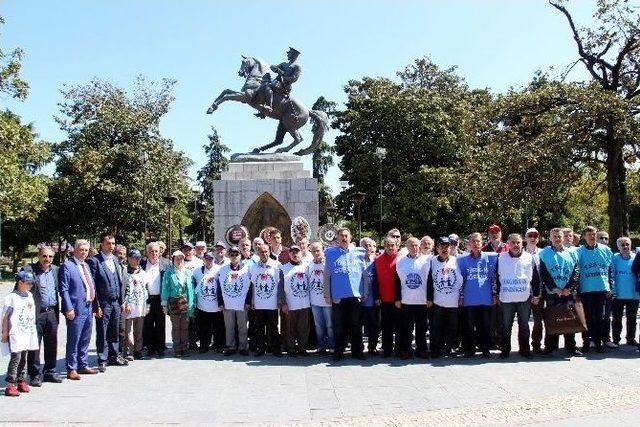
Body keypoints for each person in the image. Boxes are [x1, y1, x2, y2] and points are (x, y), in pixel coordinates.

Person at [323, 228, 367, 361]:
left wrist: (365, 291)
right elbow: (327, 275)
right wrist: (327, 294)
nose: (343, 238)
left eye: (346, 235)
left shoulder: (359, 252)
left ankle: (357, 351)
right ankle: (338, 352)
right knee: (339, 325)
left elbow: (364, 274)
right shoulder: (330, 253)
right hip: (338, 296)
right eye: (341, 235)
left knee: (356, 324)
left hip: (355, 295)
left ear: (350, 237)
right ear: (337, 238)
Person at [22, 246, 63, 385]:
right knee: (34, 345)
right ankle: (34, 374)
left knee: (52, 343)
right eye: (44, 256)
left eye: (50, 256)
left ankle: (50, 371)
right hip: (36, 313)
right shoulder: (29, 270)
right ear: (39, 256)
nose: (47, 259)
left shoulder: (56, 270)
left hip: (52, 312)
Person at [58, 239, 100, 380]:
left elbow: (90, 287)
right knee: (74, 338)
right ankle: (72, 368)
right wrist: (68, 308)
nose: (84, 253)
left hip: (88, 307)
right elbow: (63, 289)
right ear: (74, 250)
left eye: (86, 250)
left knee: (85, 338)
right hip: (75, 308)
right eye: (81, 250)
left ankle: (82, 364)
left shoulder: (86, 266)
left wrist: (96, 306)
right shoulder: (67, 266)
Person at [87, 232, 127, 371]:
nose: (111, 246)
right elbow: (92, 285)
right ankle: (102, 358)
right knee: (102, 331)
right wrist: (96, 305)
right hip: (103, 303)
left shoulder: (116, 260)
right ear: (102, 244)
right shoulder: (94, 261)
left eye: (113, 243)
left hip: (116, 301)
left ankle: (114, 355)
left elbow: (119, 281)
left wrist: (121, 301)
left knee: (114, 330)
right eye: (108, 243)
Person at [539, 228, 582, 357]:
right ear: (550, 238)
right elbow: (544, 273)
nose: (557, 239)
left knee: (569, 319)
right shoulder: (544, 253)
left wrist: (569, 288)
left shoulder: (572, 253)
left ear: (563, 237)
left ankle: (571, 347)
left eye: (559, 236)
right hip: (552, 293)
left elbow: (576, 272)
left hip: (568, 292)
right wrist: (554, 288)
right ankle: (550, 347)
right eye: (555, 236)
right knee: (553, 320)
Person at [496, 234, 540, 359]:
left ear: (523, 243)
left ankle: (525, 350)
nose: (516, 245)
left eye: (518, 242)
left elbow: (535, 278)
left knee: (524, 326)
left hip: (524, 298)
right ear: (508, 244)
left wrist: (536, 295)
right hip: (506, 298)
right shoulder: (501, 258)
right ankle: (505, 350)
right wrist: (496, 294)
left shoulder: (529, 257)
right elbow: (496, 278)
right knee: (506, 326)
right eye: (513, 243)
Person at [457, 233, 498, 358]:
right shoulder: (462, 260)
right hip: (469, 299)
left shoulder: (491, 258)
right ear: (469, 244)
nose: (476, 244)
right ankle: (470, 349)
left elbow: (494, 278)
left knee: (485, 326)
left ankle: (485, 348)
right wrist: (461, 296)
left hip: (485, 299)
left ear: (482, 243)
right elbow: (460, 281)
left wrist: (494, 294)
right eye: (473, 241)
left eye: (478, 241)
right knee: (469, 326)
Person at [576, 226, 613, 353]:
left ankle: (598, 342)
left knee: (600, 317)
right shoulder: (578, 251)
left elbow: (610, 270)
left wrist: (610, 287)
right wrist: (577, 290)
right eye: (589, 234)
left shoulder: (606, 250)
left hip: (602, 288)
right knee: (587, 317)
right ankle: (586, 342)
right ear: (584, 236)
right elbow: (576, 272)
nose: (592, 236)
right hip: (586, 289)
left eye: (594, 234)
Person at [2, 272, 39, 396]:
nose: (31, 286)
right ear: (20, 283)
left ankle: (21, 379)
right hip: (16, 333)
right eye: (28, 283)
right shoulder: (11, 298)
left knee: (24, 357)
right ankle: (10, 384)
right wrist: (5, 332)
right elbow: (5, 316)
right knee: (16, 358)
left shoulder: (29, 295)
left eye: (32, 283)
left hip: (27, 331)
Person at [427, 237, 463, 358]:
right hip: (437, 300)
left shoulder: (456, 260)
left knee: (452, 327)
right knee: (437, 326)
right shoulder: (432, 261)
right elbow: (428, 281)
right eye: (442, 246)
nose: (444, 249)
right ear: (437, 248)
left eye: (447, 246)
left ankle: (450, 348)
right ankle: (436, 349)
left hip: (453, 300)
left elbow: (462, 280)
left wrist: (461, 297)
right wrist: (429, 298)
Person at [395, 237, 431, 359]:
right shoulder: (400, 262)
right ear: (407, 247)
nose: (415, 248)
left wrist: (430, 298)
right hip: (406, 300)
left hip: (422, 300)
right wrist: (398, 298)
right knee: (407, 327)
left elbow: (430, 281)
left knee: (422, 328)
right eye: (412, 245)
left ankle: (422, 349)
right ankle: (406, 349)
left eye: (416, 245)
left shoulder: (427, 260)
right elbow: (397, 282)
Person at [217, 246, 252, 356]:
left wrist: (248, 302)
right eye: (232, 255)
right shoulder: (223, 270)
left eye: (236, 254)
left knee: (242, 326)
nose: (234, 256)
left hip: (242, 303)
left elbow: (250, 287)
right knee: (229, 326)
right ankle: (230, 346)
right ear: (229, 256)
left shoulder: (247, 269)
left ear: (240, 255)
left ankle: (243, 346)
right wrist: (221, 303)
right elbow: (219, 287)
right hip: (228, 303)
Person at [249, 244, 282, 357]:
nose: (264, 254)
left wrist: (279, 300)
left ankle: (275, 349)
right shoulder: (253, 267)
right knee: (260, 328)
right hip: (259, 302)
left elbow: (279, 285)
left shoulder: (276, 265)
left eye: (266, 251)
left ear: (269, 251)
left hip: (272, 302)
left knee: (273, 327)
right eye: (262, 252)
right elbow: (253, 285)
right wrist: (253, 300)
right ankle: (261, 349)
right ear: (258, 253)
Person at [161, 251, 196, 357]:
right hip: (173, 301)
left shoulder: (188, 273)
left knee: (185, 326)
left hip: (186, 301)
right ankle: (177, 349)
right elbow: (165, 288)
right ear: (173, 260)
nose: (179, 261)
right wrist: (164, 304)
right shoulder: (169, 272)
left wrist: (192, 303)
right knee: (176, 326)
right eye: (177, 259)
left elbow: (192, 289)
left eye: (181, 258)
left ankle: (184, 348)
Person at [279, 245, 311, 356]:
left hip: (305, 303)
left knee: (304, 328)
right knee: (290, 328)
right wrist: (283, 303)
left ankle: (302, 348)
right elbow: (280, 287)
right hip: (290, 303)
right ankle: (291, 348)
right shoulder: (283, 268)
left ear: (301, 253)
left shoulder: (307, 267)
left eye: (297, 252)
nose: (295, 254)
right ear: (289, 254)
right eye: (292, 252)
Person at [374, 237, 401, 357]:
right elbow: (375, 280)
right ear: (384, 246)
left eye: (393, 245)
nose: (391, 247)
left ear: (397, 246)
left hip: (399, 300)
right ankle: (387, 349)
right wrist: (377, 296)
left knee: (400, 326)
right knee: (386, 326)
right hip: (384, 299)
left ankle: (400, 349)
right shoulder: (377, 260)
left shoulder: (402, 259)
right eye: (388, 245)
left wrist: (400, 298)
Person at [141, 242, 168, 357]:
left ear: (159, 252)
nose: (154, 253)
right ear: (147, 252)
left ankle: (160, 348)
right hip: (146, 299)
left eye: (156, 251)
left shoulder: (166, 264)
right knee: (147, 324)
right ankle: (150, 348)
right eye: (151, 251)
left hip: (160, 299)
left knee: (161, 324)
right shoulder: (141, 264)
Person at [194, 252, 224, 354]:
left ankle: (219, 346)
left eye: (211, 258)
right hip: (202, 305)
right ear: (203, 259)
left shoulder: (219, 269)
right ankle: (204, 346)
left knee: (218, 328)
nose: (209, 260)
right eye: (207, 258)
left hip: (216, 306)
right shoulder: (197, 271)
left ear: (214, 259)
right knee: (203, 328)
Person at [307, 241, 333, 355]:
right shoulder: (309, 265)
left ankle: (332, 346)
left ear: (322, 250)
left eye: (318, 250)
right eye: (313, 251)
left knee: (330, 325)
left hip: (327, 300)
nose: (316, 253)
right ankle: (321, 346)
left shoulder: (328, 263)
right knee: (319, 326)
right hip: (315, 301)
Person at [122, 249, 149, 361]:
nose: (135, 260)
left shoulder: (143, 273)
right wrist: (124, 302)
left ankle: (138, 350)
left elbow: (146, 289)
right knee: (126, 330)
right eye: (133, 258)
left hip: (140, 305)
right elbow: (122, 289)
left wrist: (147, 305)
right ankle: (127, 350)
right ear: (128, 259)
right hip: (128, 305)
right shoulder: (123, 272)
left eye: (137, 258)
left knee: (139, 330)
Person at [611, 237, 638, 347]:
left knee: (632, 319)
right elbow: (611, 274)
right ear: (618, 247)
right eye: (622, 245)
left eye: (627, 244)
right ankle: (616, 339)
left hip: (634, 294)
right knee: (617, 319)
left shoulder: (636, 257)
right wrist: (612, 290)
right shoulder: (614, 258)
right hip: (618, 294)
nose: (625, 247)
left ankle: (630, 339)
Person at [525, 228, 545, 353]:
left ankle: (536, 344)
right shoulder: (519, 252)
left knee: (538, 321)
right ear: (525, 238)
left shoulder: (543, 253)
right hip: (524, 293)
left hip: (539, 294)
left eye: (535, 235)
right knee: (523, 322)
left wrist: (539, 294)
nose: (533, 238)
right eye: (530, 235)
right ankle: (524, 346)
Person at [359, 238, 379, 356]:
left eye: (371, 246)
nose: (369, 248)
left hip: (373, 301)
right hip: (360, 301)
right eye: (366, 246)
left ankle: (372, 347)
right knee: (357, 326)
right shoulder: (357, 262)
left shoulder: (376, 262)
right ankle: (359, 348)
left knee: (374, 326)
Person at [597, 230, 614, 347]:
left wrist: (611, 288)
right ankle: (594, 339)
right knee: (595, 316)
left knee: (606, 316)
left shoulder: (609, 253)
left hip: (607, 289)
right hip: (593, 289)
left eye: (606, 238)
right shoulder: (593, 252)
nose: (604, 240)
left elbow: (612, 272)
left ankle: (606, 339)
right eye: (601, 238)